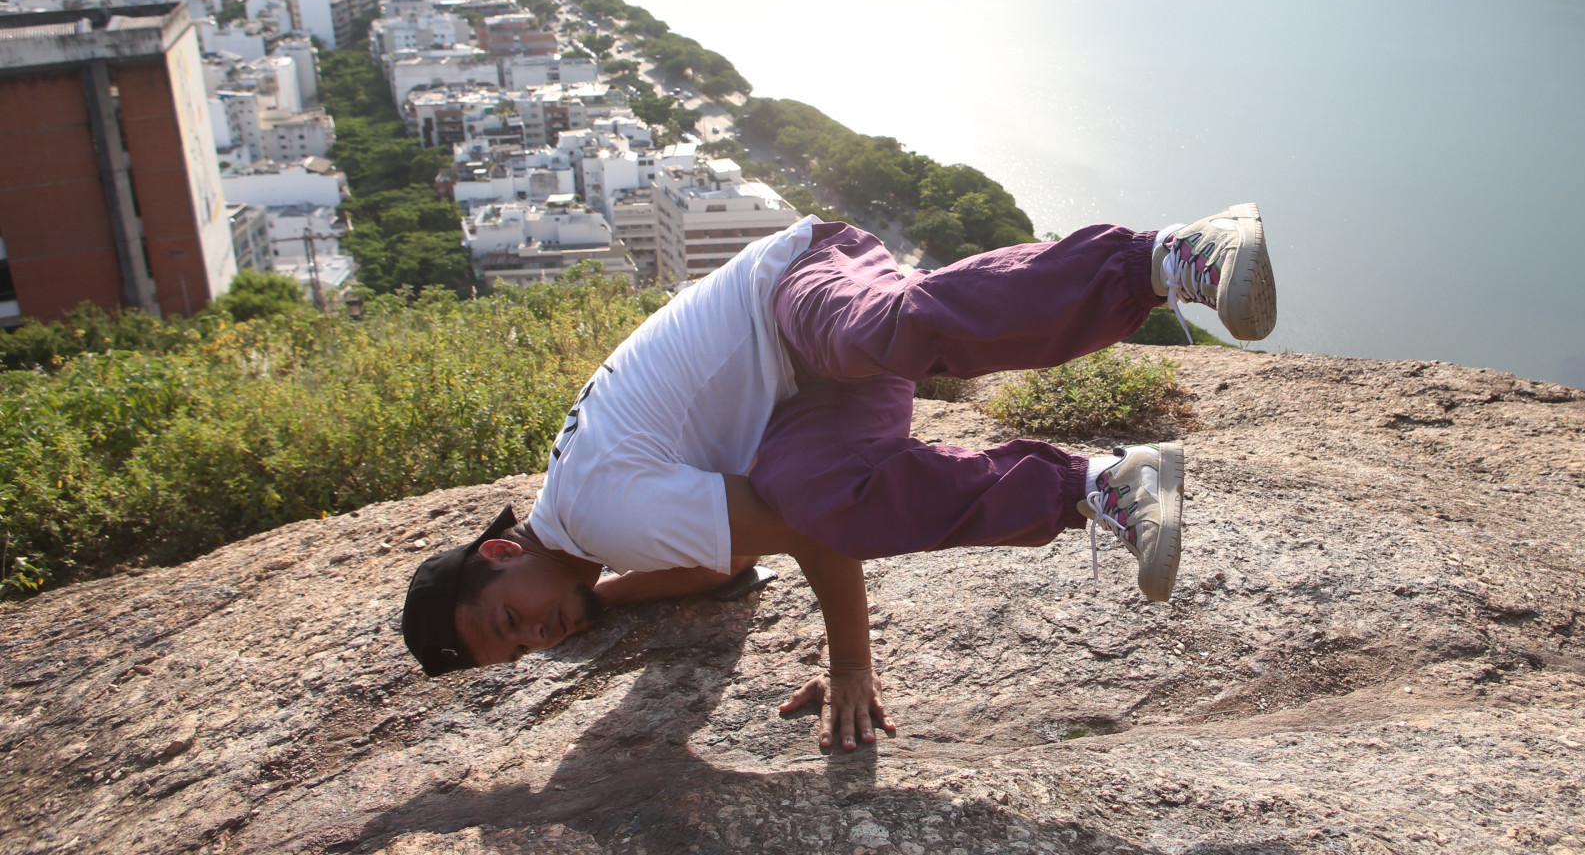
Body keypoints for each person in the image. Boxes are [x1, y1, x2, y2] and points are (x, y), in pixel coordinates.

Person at [403, 204, 1276, 752]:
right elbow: (732, 563)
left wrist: (851, 663)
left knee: (881, 332)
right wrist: (609, 600)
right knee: (831, 494)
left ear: (501, 549)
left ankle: (1167, 258)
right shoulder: (595, 539)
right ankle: (1109, 485)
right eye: (518, 650)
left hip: (795, 288)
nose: (537, 637)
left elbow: (783, 537)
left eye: (508, 617)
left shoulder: (599, 515)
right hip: (805, 408)